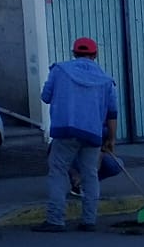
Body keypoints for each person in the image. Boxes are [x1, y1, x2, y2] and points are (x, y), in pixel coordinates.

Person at [36, 37, 118, 233]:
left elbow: (45, 96)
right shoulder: (106, 80)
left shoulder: (59, 70)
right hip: (92, 134)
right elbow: (112, 113)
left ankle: (56, 220)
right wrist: (111, 139)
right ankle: (89, 221)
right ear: (95, 55)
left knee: (57, 172)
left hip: (66, 131)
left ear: (73, 53)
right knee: (91, 176)